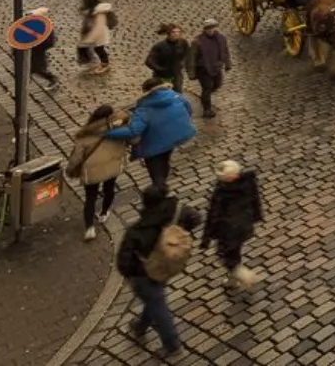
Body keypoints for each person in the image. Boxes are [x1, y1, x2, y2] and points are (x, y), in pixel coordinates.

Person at [116, 186, 203, 358]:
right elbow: (196, 218)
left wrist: (127, 274)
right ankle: (140, 326)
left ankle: (172, 345)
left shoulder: (138, 229)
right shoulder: (176, 211)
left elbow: (124, 259)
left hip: (144, 272)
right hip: (166, 266)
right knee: (154, 298)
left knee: (157, 304)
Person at [104, 78, 198, 192]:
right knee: (165, 159)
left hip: (153, 145)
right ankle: (163, 182)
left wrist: (108, 133)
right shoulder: (176, 96)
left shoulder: (144, 109)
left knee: (155, 170)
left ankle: (160, 191)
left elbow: (133, 131)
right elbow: (189, 110)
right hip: (172, 139)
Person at [65, 104, 130, 241]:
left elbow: (76, 158)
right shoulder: (118, 129)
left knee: (90, 198)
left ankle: (89, 228)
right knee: (109, 189)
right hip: (112, 166)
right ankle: (104, 212)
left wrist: (70, 171)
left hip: (92, 171)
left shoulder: (85, 135)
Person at [201, 160, 265, 289]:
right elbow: (255, 200)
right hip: (244, 225)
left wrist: (206, 237)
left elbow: (214, 215)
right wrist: (257, 217)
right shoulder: (248, 182)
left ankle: (242, 275)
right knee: (234, 252)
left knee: (224, 254)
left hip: (228, 230)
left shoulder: (222, 192)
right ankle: (232, 280)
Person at [188, 21, 232, 120]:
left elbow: (225, 51)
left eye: (214, 27)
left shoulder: (221, 38)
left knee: (217, 84)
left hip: (216, 67)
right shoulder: (197, 41)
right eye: (210, 28)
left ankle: (204, 97)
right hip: (203, 69)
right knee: (207, 87)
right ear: (205, 29)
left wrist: (227, 63)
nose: (213, 30)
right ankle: (207, 110)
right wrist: (191, 73)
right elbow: (191, 58)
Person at [145, 23, 189, 93]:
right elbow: (148, 61)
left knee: (177, 94)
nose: (176, 34)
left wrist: (182, 63)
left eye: (178, 32)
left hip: (176, 75)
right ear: (168, 34)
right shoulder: (159, 46)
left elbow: (187, 54)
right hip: (161, 76)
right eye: (174, 32)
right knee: (162, 94)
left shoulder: (183, 43)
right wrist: (160, 69)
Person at [78, 0, 117, 75]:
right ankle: (92, 62)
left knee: (99, 49)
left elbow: (99, 27)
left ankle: (105, 65)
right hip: (94, 34)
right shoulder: (93, 11)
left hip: (100, 36)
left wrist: (91, 38)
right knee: (93, 48)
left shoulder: (99, 13)